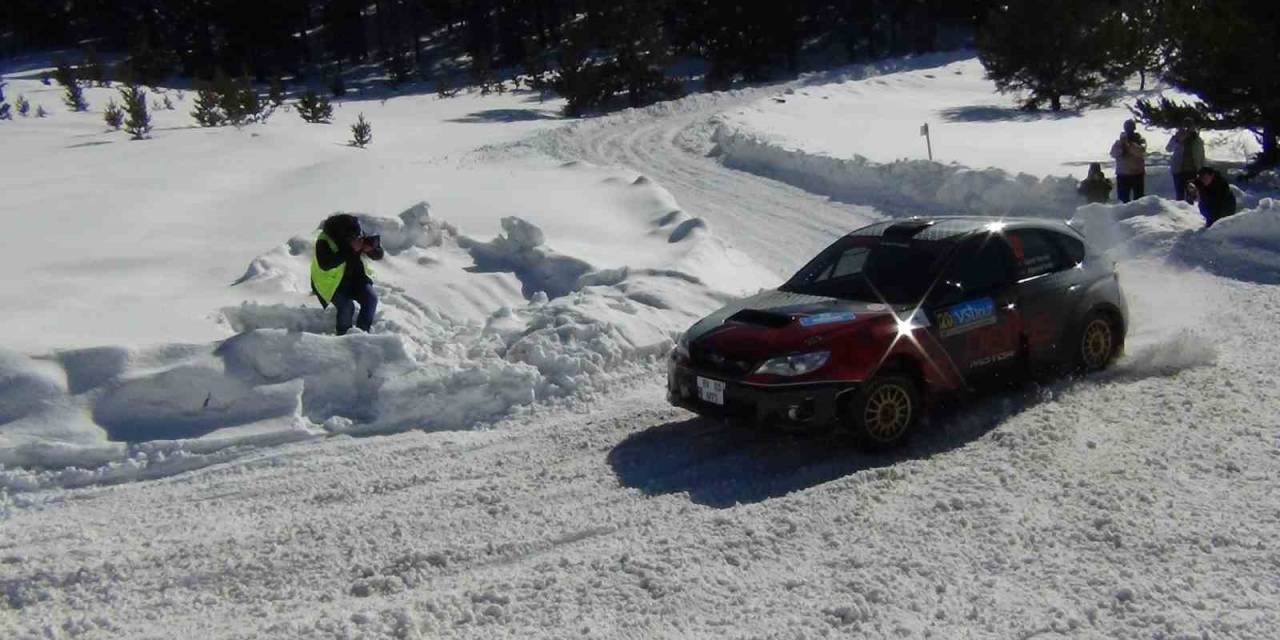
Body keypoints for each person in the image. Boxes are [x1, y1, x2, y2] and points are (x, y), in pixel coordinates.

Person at [310, 213, 384, 335]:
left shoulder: (356, 231)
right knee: (347, 307)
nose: (356, 238)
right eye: (352, 238)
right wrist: (350, 250)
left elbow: (379, 255)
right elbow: (326, 264)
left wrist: (372, 248)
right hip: (331, 283)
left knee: (371, 299)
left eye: (358, 235)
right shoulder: (324, 241)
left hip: (356, 278)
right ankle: (343, 338)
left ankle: (362, 333)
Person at [1165, 117, 1205, 201]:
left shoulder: (1197, 140)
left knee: (1191, 196)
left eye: (1190, 126)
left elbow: (1201, 155)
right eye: (1186, 126)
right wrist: (1178, 139)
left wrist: (1201, 170)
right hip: (1178, 170)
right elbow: (1168, 148)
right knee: (1180, 196)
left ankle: (1189, 212)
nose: (1188, 128)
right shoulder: (1177, 137)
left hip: (1192, 171)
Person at [1110, 119, 1147, 202]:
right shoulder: (1119, 142)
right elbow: (1113, 154)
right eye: (1127, 128)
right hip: (1123, 174)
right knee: (1123, 200)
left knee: (1139, 199)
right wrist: (1121, 145)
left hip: (1137, 174)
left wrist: (1129, 145)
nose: (1128, 130)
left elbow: (1140, 152)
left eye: (1130, 128)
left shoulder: (1140, 140)